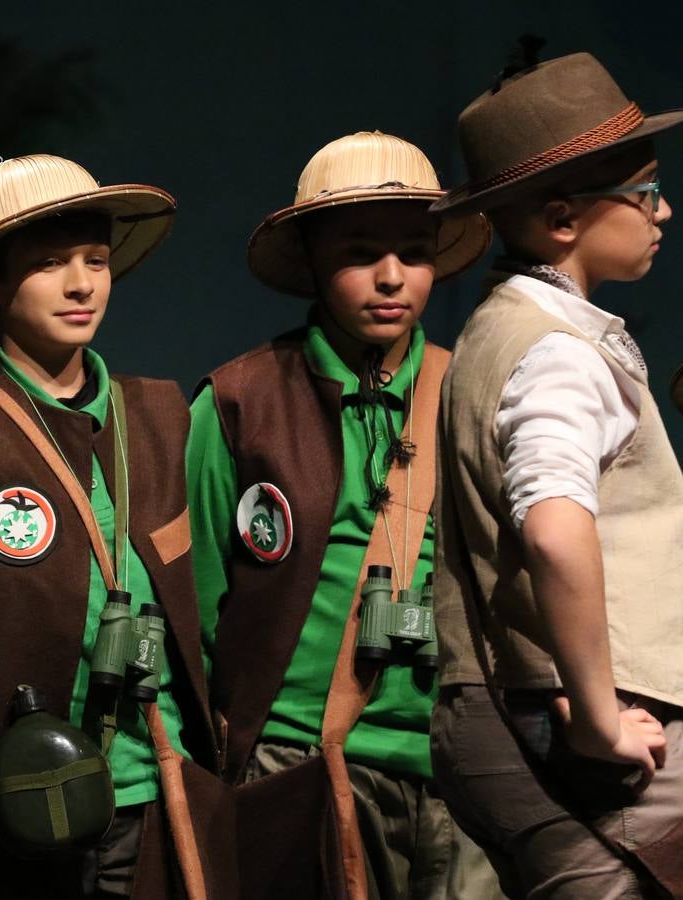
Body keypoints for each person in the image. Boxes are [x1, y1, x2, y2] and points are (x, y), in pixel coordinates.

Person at [187, 131, 498, 899]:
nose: (392, 278)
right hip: (291, 762)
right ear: (313, 260)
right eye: (361, 252)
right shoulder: (238, 400)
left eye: (415, 252)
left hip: (456, 772)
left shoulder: (473, 394)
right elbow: (193, 605)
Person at [0, 154, 220, 899]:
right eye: (49, 263)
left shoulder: (161, 416)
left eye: (96, 260)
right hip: (21, 811)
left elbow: (205, 606)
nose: (81, 284)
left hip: (158, 790)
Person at [428, 50, 683, 898]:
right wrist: (601, 713)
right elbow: (554, 527)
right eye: (645, 193)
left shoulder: (505, 328)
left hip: (519, 703)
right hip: (560, 709)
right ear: (565, 218)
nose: (664, 211)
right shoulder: (556, 355)